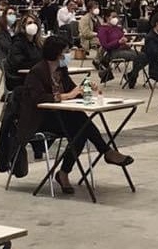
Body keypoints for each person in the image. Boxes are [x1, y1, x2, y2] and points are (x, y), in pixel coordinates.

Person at [15, 37, 133, 195]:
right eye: (66, 52)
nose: (68, 54)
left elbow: (72, 90)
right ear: (57, 54)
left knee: (81, 129)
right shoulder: (37, 71)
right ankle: (105, 152)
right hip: (41, 118)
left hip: (60, 115)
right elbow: (39, 98)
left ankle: (65, 172)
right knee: (81, 124)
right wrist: (66, 96)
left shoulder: (61, 71)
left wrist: (84, 87)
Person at [94, 8, 145, 87]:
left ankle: (131, 75)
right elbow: (105, 45)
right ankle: (132, 77)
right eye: (113, 16)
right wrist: (118, 42)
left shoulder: (117, 28)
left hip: (125, 49)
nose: (116, 19)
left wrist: (127, 41)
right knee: (138, 57)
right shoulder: (102, 29)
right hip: (113, 52)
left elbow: (122, 37)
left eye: (116, 16)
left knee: (144, 56)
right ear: (107, 18)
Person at [5, 12, 43, 91]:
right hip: (19, 78)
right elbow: (19, 63)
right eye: (29, 23)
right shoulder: (18, 43)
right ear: (23, 26)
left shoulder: (37, 43)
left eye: (35, 23)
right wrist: (39, 63)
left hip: (33, 75)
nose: (33, 25)